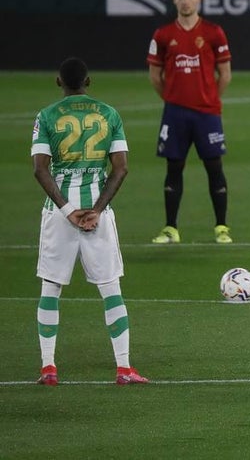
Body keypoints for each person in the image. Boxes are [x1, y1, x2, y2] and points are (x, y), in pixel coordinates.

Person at [31, 57, 148, 386]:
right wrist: (95, 209)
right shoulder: (109, 114)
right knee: (111, 289)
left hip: (59, 214)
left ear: (59, 82)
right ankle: (124, 368)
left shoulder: (47, 116)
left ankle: (48, 367)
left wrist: (68, 210)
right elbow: (121, 168)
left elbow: (40, 168)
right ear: (89, 81)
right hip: (99, 214)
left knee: (50, 288)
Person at [147, 0, 233, 245]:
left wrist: (207, 99)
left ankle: (221, 227)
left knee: (214, 166)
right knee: (174, 167)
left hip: (207, 114)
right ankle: (171, 228)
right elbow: (155, 75)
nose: (185, 1)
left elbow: (225, 74)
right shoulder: (162, 35)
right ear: (174, 0)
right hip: (175, 114)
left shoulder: (213, 32)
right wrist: (173, 99)